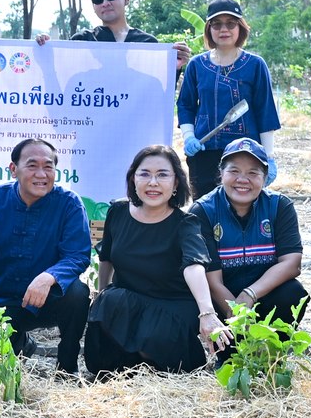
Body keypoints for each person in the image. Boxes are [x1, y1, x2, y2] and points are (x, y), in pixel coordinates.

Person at [83, 145, 226, 376]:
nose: (153, 183)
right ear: (133, 179)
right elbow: (106, 257)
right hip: (129, 305)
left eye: (162, 175)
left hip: (171, 308)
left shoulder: (186, 223)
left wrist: (207, 313)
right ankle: (135, 361)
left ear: (176, 182)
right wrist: (100, 299)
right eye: (145, 174)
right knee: (109, 302)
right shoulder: (118, 211)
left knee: (123, 309)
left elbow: (194, 266)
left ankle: (157, 359)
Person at [0, 138, 93, 373]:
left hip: (45, 301)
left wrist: (48, 277)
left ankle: (67, 366)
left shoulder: (69, 203)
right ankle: (21, 343)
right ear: (14, 169)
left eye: (48, 166)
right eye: (32, 165)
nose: (41, 174)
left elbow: (77, 255)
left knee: (77, 293)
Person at [192, 137, 306, 327]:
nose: (242, 180)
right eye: (234, 171)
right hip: (222, 298)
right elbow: (212, 280)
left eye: (253, 172)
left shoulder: (279, 206)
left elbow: (292, 263)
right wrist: (238, 318)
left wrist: (250, 293)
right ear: (221, 173)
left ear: (265, 177)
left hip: (262, 292)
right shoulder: (203, 210)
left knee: (293, 292)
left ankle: (274, 344)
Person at [177, 0, 281, 197]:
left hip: (246, 155)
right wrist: (189, 137)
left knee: (243, 207)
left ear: (240, 27)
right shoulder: (197, 65)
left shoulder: (255, 65)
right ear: (209, 29)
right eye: (216, 24)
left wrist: (268, 156)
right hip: (204, 153)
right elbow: (185, 105)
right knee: (205, 209)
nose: (223, 29)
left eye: (231, 23)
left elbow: (265, 111)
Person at [65, 0, 191, 70]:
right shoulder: (81, 41)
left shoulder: (147, 43)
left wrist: (174, 67)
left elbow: (158, 90)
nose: (105, 3)